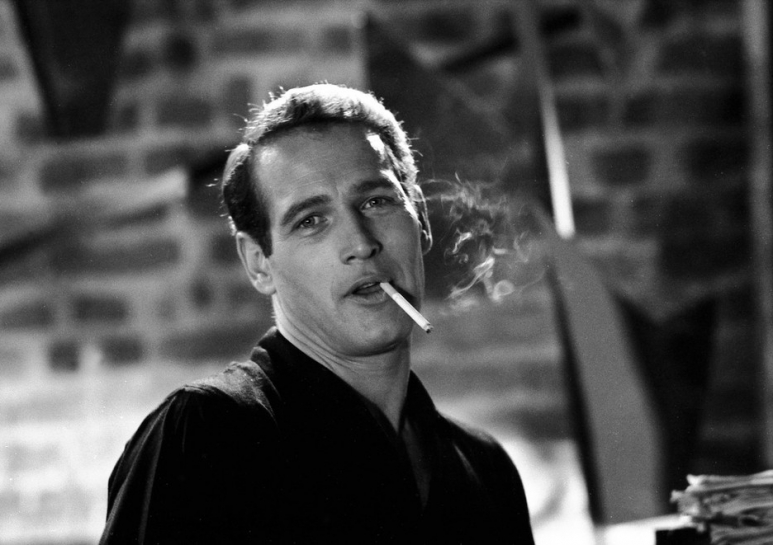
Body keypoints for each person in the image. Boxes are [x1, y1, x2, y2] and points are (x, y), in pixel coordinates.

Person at [99, 83, 535, 544]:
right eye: (310, 221)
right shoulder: (207, 435)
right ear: (258, 263)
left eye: (376, 201)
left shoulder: (485, 470)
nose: (361, 243)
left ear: (420, 219)